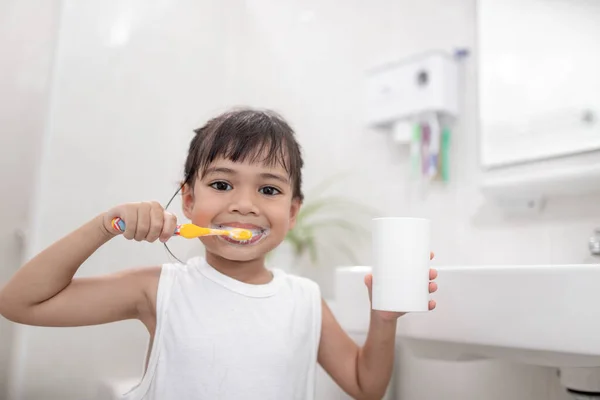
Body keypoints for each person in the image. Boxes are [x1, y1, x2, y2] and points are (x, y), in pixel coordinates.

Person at [0, 108, 437, 400]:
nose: (244, 204)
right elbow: (20, 302)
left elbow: (366, 385)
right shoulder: (157, 289)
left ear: (293, 211)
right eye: (222, 184)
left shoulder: (305, 300)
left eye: (268, 190)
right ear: (188, 201)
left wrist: (383, 320)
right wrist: (107, 225)